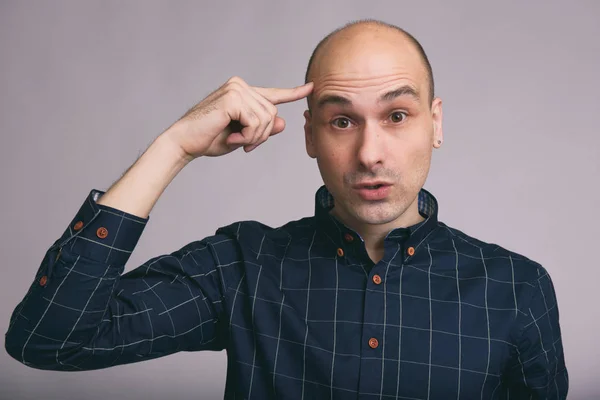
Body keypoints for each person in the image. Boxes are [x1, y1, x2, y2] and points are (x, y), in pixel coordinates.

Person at [5, 19, 568, 399]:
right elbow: (50, 341)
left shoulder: (517, 288)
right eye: (342, 120)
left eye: (397, 115)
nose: (370, 154)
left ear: (435, 122)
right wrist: (173, 146)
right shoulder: (244, 265)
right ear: (310, 135)